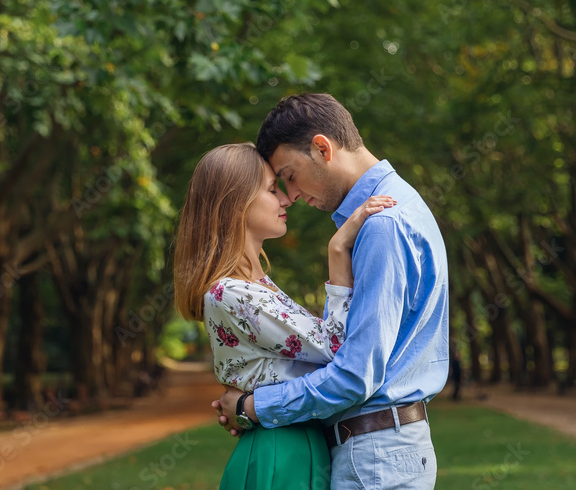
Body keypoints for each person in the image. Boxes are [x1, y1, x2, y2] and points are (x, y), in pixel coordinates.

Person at [214, 93, 450, 490]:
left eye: (288, 175)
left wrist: (255, 406)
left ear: (322, 148)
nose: (290, 195)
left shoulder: (382, 226)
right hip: (381, 451)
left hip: (375, 457)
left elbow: (356, 376)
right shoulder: (391, 211)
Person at [174, 142, 396, 489]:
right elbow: (337, 348)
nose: (286, 198)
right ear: (235, 203)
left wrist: (246, 407)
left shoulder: (253, 286)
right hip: (282, 452)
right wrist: (338, 253)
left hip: (293, 444)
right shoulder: (232, 293)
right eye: (272, 189)